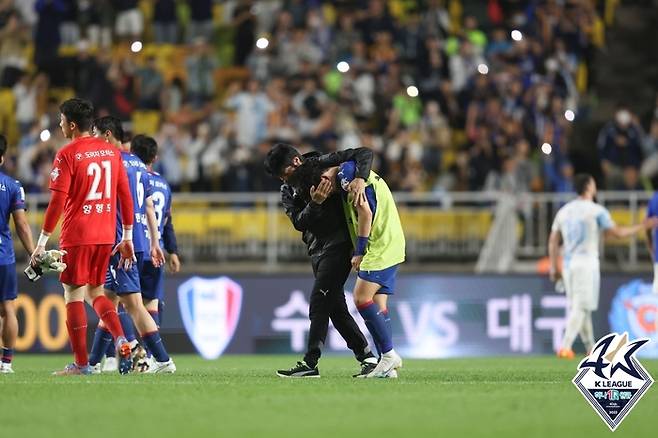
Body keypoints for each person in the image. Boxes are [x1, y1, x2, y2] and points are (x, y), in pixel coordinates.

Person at [30, 98, 135, 376]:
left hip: (77, 234)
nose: (60, 124)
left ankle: (81, 364)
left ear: (72, 125)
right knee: (97, 292)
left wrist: (41, 242)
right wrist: (126, 236)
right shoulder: (112, 153)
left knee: (73, 294)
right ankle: (121, 338)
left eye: (62, 120)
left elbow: (56, 202)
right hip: (105, 236)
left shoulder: (67, 154)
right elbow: (125, 196)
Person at [264, 143, 378, 378]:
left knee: (318, 301)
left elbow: (364, 153)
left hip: (338, 245)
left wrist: (360, 178)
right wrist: (315, 203)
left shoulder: (323, 164)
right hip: (316, 250)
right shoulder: (288, 190)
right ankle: (368, 357)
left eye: (284, 174)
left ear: (295, 162)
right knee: (335, 309)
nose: (284, 181)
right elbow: (298, 222)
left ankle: (310, 362)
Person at [288, 158, 406, 378]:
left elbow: (365, 212)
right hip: (389, 240)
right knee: (378, 304)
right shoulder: (347, 171)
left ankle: (389, 355)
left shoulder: (346, 178)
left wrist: (359, 250)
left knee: (361, 298)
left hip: (379, 244)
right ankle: (385, 365)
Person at [87, 117, 176, 374]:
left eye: (95, 133)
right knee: (110, 302)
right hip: (136, 239)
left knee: (134, 305)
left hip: (119, 241)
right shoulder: (137, 164)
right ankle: (92, 363)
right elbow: (148, 205)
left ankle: (162, 360)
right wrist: (155, 242)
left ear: (107, 134)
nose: (93, 138)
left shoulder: (110, 162)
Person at [548, 174, 658, 359]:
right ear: (589, 187)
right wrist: (642, 226)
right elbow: (617, 233)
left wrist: (553, 267)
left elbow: (553, 240)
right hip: (586, 263)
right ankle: (565, 346)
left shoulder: (564, 211)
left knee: (580, 307)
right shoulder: (596, 211)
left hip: (567, 264)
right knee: (581, 306)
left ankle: (590, 347)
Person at [131, 134, 180, 339]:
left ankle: (127, 352)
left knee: (124, 300)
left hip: (135, 245)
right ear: (155, 158)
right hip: (157, 249)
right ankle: (152, 358)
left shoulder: (132, 177)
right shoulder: (164, 185)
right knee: (151, 302)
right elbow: (168, 222)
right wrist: (173, 251)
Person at [0, 134, 35, 373]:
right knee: (8, 308)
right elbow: (22, 225)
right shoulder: (13, 186)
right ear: (2, 158)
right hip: (3, 255)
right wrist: (33, 252)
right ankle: (6, 363)